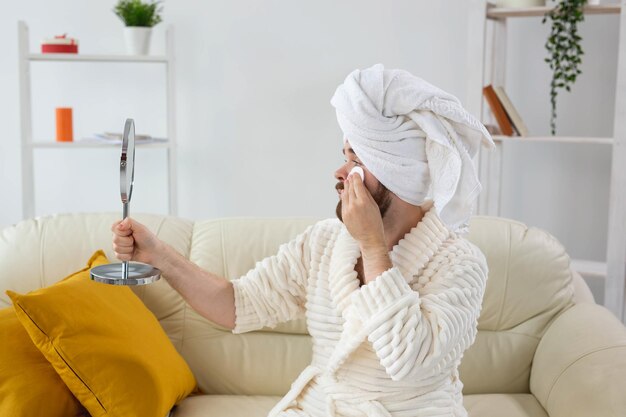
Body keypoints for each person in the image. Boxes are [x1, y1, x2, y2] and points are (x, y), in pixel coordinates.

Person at [112, 64, 495, 417]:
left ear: (395, 170)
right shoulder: (324, 242)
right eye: (344, 156)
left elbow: (409, 361)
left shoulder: (460, 263)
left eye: (355, 159)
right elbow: (237, 305)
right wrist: (160, 255)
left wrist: (373, 247)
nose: (340, 171)